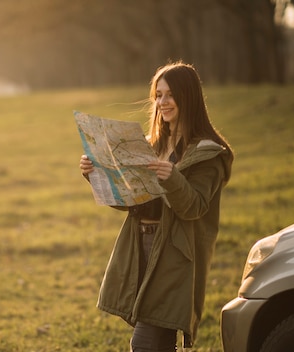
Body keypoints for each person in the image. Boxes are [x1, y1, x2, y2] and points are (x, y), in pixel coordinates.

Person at [79, 61, 234, 352]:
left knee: (145, 343)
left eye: (170, 94)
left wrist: (172, 178)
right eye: (158, 95)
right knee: (159, 340)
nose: (162, 102)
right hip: (139, 247)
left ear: (188, 98)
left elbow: (195, 207)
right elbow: (133, 201)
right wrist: (95, 174)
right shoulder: (150, 145)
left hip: (174, 253)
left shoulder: (209, 153)